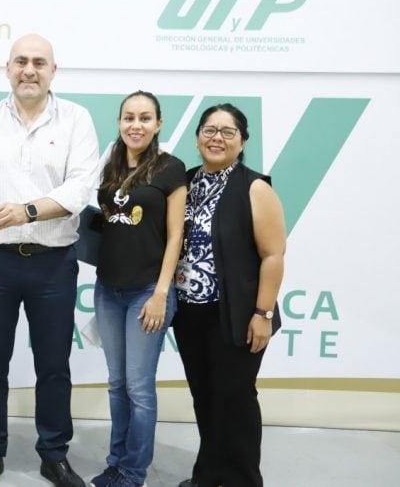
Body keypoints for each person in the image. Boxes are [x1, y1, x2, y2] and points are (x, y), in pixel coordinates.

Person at [0, 34, 99, 487]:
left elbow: (80, 188)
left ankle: (53, 454)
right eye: (20, 61)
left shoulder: (76, 119)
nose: (28, 70)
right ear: (7, 68)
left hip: (53, 262)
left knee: (53, 365)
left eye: (38, 62)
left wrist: (27, 211)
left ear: (54, 70)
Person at [173, 103, 285, 487]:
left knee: (235, 399)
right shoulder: (185, 183)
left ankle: (242, 480)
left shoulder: (254, 187)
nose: (216, 138)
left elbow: (273, 255)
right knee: (205, 396)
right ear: (197, 138)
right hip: (190, 313)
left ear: (242, 141)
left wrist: (263, 314)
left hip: (238, 313)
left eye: (227, 131)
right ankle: (209, 476)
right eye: (209, 130)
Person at [89, 91, 186, 487]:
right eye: (129, 117)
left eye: (145, 118)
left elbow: (176, 235)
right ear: (119, 122)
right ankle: (116, 462)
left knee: (139, 387)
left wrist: (161, 293)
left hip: (148, 290)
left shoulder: (171, 168)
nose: (136, 125)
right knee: (117, 384)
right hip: (108, 289)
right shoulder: (110, 165)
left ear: (158, 124)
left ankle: (133, 471)